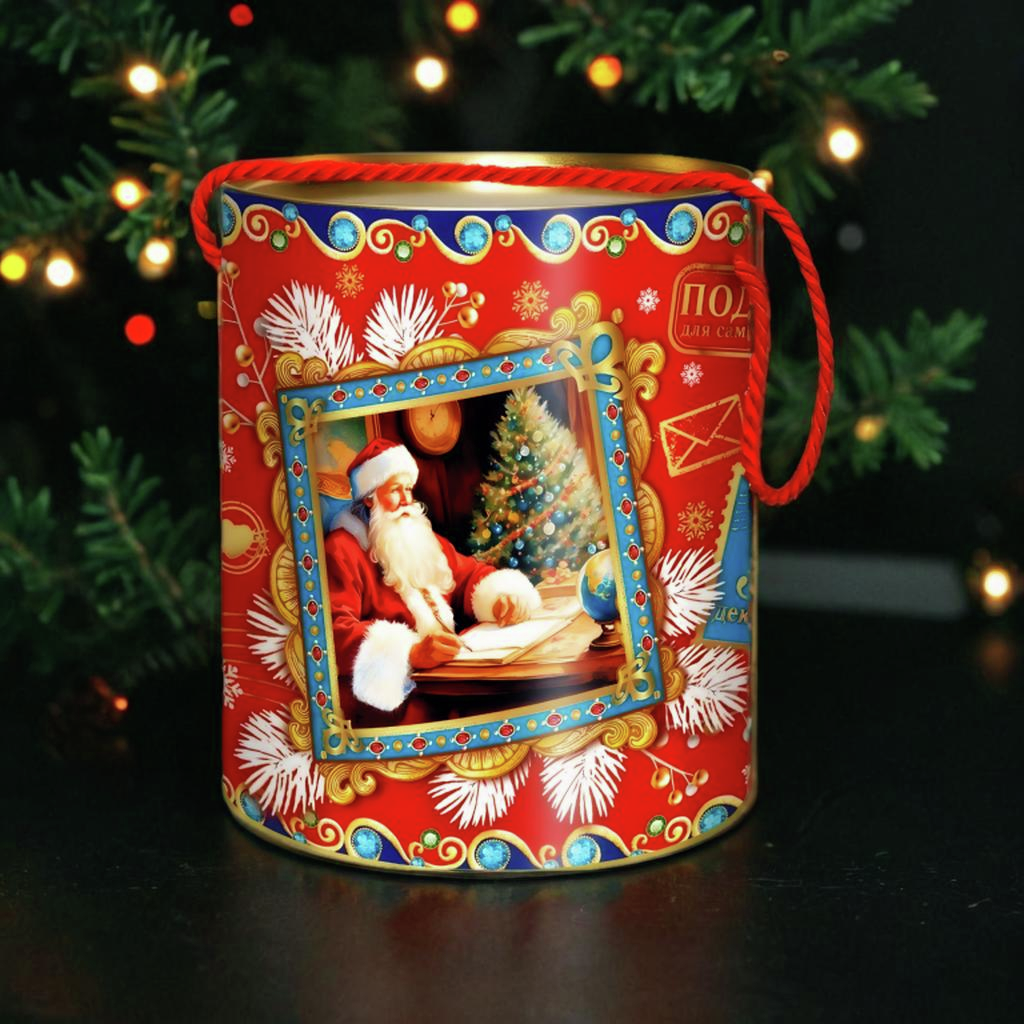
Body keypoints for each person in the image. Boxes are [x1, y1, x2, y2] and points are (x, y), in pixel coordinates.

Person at [323, 438, 541, 724]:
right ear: (369, 497)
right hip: (401, 702)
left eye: (408, 489)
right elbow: (332, 632)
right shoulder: (342, 549)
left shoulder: (417, 535)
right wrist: (410, 652)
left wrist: (501, 598)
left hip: (453, 679)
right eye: (394, 490)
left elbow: (468, 575)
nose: (406, 500)